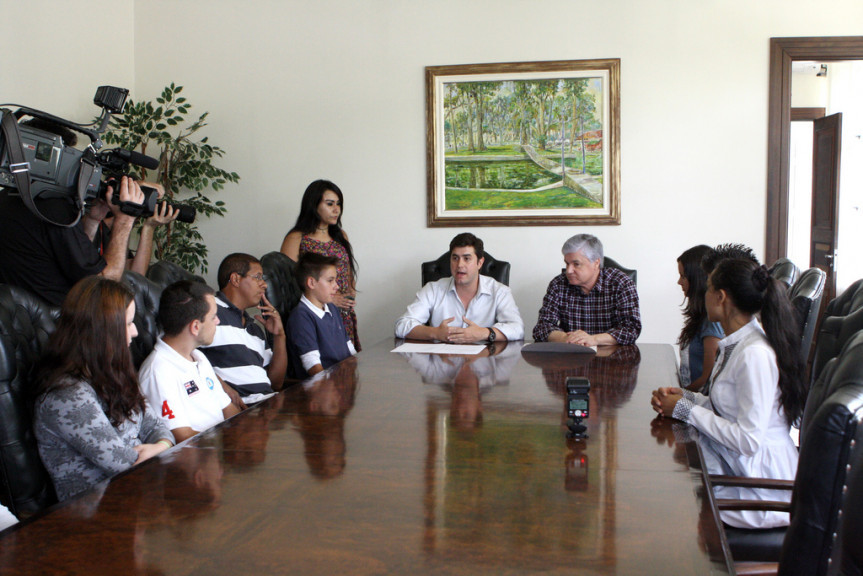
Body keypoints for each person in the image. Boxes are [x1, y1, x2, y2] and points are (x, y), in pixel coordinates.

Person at [651, 258, 806, 529]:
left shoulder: (754, 354)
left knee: (669, 501)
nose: (703, 295)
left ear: (721, 297)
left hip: (760, 488)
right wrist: (684, 398)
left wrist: (686, 410)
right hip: (741, 469)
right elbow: (727, 407)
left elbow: (748, 440)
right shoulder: (737, 343)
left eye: (708, 288)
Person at [32, 276, 174, 501]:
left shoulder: (114, 370)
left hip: (137, 492)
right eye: (127, 324)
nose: (135, 332)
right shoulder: (67, 395)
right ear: (101, 331)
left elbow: (155, 424)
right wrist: (159, 448)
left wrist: (161, 445)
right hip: (98, 515)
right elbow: (122, 462)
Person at [0, 175, 147, 306]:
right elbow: (103, 285)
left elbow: (79, 262)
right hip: (55, 323)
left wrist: (93, 219)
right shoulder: (57, 210)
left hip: (17, 316)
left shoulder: (11, 194)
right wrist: (125, 219)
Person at [138, 280, 241, 444]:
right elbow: (182, 437)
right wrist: (226, 446)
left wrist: (244, 434)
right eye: (213, 317)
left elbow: (227, 408)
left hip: (221, 454)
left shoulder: (199, 357)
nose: (218, 322)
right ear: (195, 326)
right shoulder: (159, 371)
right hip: (196, 462)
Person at [394, 232, 524, 343]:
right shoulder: (433, 289)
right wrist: (435, 333)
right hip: (442, 366)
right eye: (455, 258)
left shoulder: (499, 291)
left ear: (480, 263)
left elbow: (517, 328)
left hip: (483, 364)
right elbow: (402, 326)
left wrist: (484, 333)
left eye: (467, 259)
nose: (459, 265)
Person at [281, 179, 361, 350]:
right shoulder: (297, 238)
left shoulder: (341, 236)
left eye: (339, 204)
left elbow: (348, 272)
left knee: (348, 365)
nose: (336, 209)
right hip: (314, 316)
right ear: (314, 204)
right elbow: (290, 284)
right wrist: (331, 300)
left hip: (343, 315)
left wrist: (350, 293)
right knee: (321, 363)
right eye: (330, 204)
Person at [199, 253, 288, 399]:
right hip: (239, 411)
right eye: (258, 277)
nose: (264, 284)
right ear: (235, 279)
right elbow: (181, 355)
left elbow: (275, 384)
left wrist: (279, 336)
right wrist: (223, 388)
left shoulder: (255, 329)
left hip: (267, 405)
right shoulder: (208, 311)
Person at [533, 234, 641, 346]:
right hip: (570, 356)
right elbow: (541, 328)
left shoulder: (621, 283)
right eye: (567, 263)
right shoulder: (558, 284)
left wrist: (593, 339)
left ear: (596, 263)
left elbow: (631, 329)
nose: (569, 270)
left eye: (576, 264)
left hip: (611, 357)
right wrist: (567, 338)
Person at [81, 183, 179, 276]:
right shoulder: (91, 222)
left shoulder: (117, 235)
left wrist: (149, 227)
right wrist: (125, 218)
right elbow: (102, 275)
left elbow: (136, 273)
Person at [286, 253, 357, 380]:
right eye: (330, 280)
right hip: (324, 388)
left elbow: (348, 347)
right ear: (312, 283)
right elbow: (312, 365)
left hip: (343, 381)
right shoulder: (301, 316)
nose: (337, 286)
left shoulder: (332, 308)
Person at [676, 245, 724, 391]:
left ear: (698, 279)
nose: (679, 282)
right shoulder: (700, 317)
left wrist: (679, 396)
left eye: (683, 276)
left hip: (699, 402)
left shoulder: (712, 322)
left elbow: (708, 380)